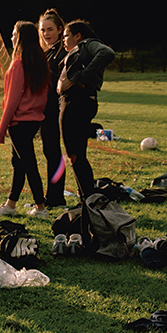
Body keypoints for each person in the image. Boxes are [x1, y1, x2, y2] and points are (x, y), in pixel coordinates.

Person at [0, 21, 51, 219]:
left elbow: (11, 101)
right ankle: (11, 205)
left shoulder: (19, 65)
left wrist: (1, 131)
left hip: (20, 123)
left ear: (21, 38)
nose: (11, 37)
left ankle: (41, 208)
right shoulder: (39, 63)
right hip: (32, 122)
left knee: (28, 164)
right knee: (19, 163)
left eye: (14, 34)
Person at [58, 19, 115, 200]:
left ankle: (88, 196)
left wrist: (82, 77)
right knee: (76, 153)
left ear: (78, 36)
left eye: (66, 35)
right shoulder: (74, 51)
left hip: (78, 102)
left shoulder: (88, 43)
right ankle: (86, 194)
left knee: (75, 153)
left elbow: (107, 53)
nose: (63, 39)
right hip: (74, 102)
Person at [38, 9, 67, 207]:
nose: (46, 34)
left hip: (56, 110)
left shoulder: (62, 53)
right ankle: (52, 196)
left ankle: (56, 198)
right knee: (50, 152)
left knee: (55, 154)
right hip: (45, 110)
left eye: (50, 29)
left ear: (59, 30)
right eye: (43, 30)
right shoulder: (47, 52)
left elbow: (60, 82)